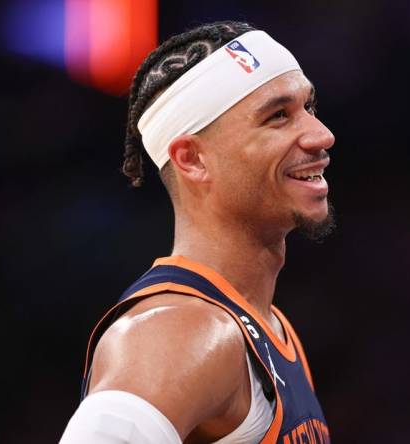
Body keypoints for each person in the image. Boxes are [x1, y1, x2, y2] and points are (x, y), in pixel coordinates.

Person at [60, 21, 336, 444]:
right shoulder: (178, 331)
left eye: (308, 108)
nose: (321, 135)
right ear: (191, 160)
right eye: (278, 116)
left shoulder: (268, 327)